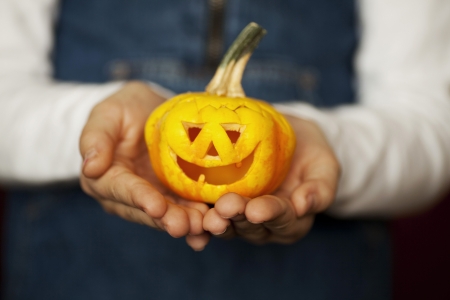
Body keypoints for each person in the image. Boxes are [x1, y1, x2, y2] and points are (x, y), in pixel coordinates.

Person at [1, 0, 449, 299]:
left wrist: (326, 144)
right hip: (74, 270)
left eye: (230, 138)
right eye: (200, 136)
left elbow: (433, 122)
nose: (213, 152)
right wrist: (98, 128)